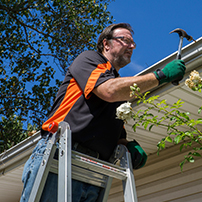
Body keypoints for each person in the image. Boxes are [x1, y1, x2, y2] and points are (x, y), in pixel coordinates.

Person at [20, 23, 186, 202]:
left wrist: (125, 144)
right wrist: (160, 76)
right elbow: (109, 91)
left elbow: (111, 123)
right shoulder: (90, 59)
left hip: (94, 169)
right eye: (125, 40)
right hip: (60, 154)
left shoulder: (120, 88)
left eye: (133, 43)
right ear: (106, 44)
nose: (131, 46)